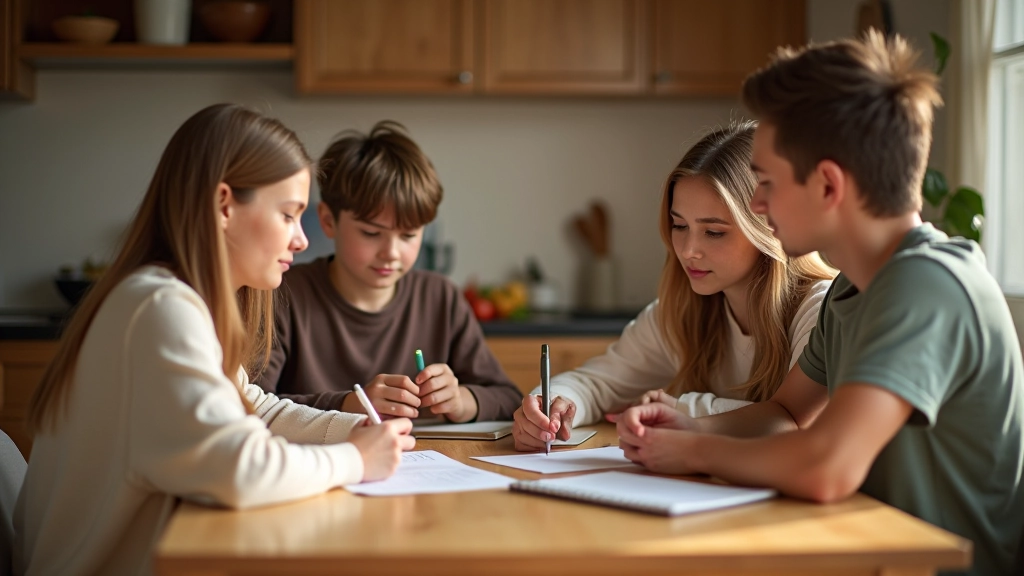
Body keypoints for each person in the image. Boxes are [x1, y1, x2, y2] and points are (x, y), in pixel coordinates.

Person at [616, 32, 1024, 576]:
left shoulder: (927, 285)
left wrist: (692, 455)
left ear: (829, 185)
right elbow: (786, 412)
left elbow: (828, 466)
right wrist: (691, 429)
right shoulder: (852, 288)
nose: (756, 205)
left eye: (765, 182)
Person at [14, 104, 415, 576]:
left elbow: (253, 407)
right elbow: (240, 469)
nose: (302, 240)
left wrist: (349, 429)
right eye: (288, 215)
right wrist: (354, 460)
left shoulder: (171, 300)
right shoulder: (158, 309)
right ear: (224, 205)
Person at [512, 121, 836, 451]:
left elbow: (802, 424)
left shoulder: (822, 309)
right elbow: (597, 382)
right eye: (679, 225)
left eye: (714, 232)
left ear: (770, 228)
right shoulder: (682, 310)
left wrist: (683, 409)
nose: (687, 249)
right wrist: (555, 403)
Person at [255, 121, 521, 423]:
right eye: (371, 233)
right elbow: (249, 405)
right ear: (329, 221)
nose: (391, 253)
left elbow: (509, 397)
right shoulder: (281, 295)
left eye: (408, 235)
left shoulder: (440, 297)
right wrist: (348, 405)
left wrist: (463, 400)